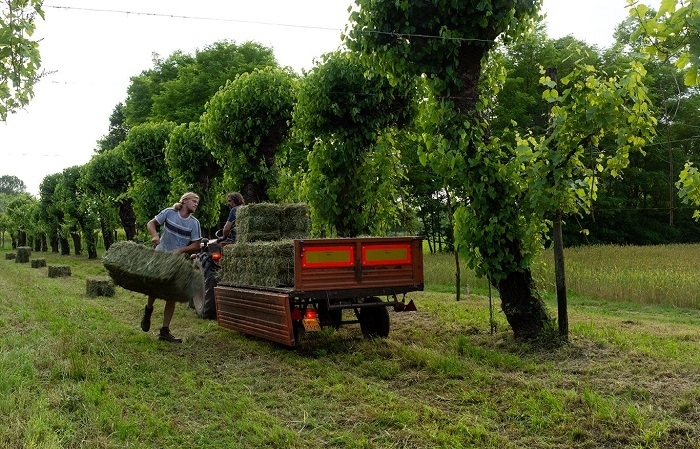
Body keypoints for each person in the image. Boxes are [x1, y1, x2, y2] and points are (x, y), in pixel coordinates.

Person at [141, 192, 203, 343]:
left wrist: (181, 250)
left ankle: (164, 330)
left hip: (177, 261)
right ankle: (148, 309)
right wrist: (155, 235)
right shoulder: (169, 213)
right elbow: (151, 223)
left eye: (197, 202)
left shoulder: (194, 223)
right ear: (184, 201)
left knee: (172, 295)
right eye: (194, 201)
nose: (196, 204)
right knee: (155, 287)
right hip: (161, 256)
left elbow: (196, 245)